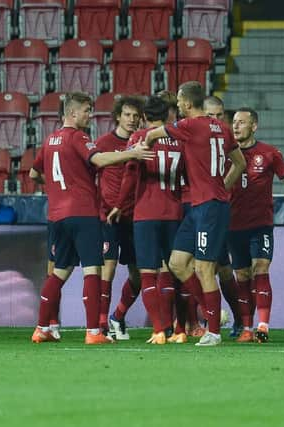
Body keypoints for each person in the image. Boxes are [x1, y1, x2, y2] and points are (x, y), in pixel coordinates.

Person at [28, 91, 154, 345]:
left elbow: (33, 173)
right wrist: (132, 153)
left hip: (57, 215)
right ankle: (94, 332)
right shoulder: (77, 137)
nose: (90, 115)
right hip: (83, 213)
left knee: (59, 272)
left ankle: (41, 328)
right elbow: (99, 159)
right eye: (86, 111)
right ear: (72, 113)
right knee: (92, 270)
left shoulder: (50, 139)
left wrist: (56, 187)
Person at [143, 81, 246, 346]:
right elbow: (240, 163)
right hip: (201, 206)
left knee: (204, 268)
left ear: (187, 103)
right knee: (178, 262)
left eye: (178, 100)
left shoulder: (189, 126)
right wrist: (222, 185)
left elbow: (155, 134)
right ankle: (211, 312)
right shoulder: (222, 128)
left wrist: (143, 144)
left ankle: (213, 330)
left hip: (210, 207)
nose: (177, 105)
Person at [229, 108, 284, 343]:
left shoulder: (269, 153)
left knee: (260, 267)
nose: (236, 126)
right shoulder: (225, 154)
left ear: (254, 126)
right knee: (241, 275)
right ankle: (246, 327)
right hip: (233, 225)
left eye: (241, 122)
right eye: (234, 122)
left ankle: (263, 326)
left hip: (261, 224)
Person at [108, 95, 185, 344]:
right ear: (167, 116)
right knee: (172, 272)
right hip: (174, 212)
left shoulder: (139, 139)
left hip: (145, 213)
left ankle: (160, 330)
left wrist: (119, 205)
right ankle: (180, 329)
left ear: (144, 117)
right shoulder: (178, 141)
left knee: (147, 273)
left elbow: (130, 176)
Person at [96, 95, 145, 340]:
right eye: (127, 114)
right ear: (118, 116)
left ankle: (118, 316)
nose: (132, 119)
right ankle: (102, 324)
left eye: (136, 116)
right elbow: (88, 174)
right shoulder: (104, 143)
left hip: (136, 217)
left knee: (139, 275)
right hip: (109, 217)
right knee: (109, 267)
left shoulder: (143, 143)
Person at [203, 95, 242, 337]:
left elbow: (240, 164)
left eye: (219, 115)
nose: (216, 120)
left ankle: (236, 319)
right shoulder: (195, 135)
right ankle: (194, 323)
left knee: (221, 268)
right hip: (195, 209)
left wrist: (222, 189)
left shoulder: (226, 137)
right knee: (189, 265)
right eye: (211, 116)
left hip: (219, 211)